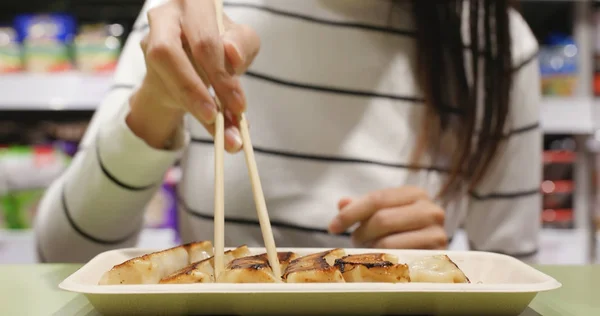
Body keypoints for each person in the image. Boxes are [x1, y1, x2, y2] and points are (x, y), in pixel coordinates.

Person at [34, 0, 541, 263]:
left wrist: (434, 274)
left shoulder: (493, 43)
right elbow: (62, 258)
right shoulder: (199, 11)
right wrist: (155, 107)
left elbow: (518, 279)